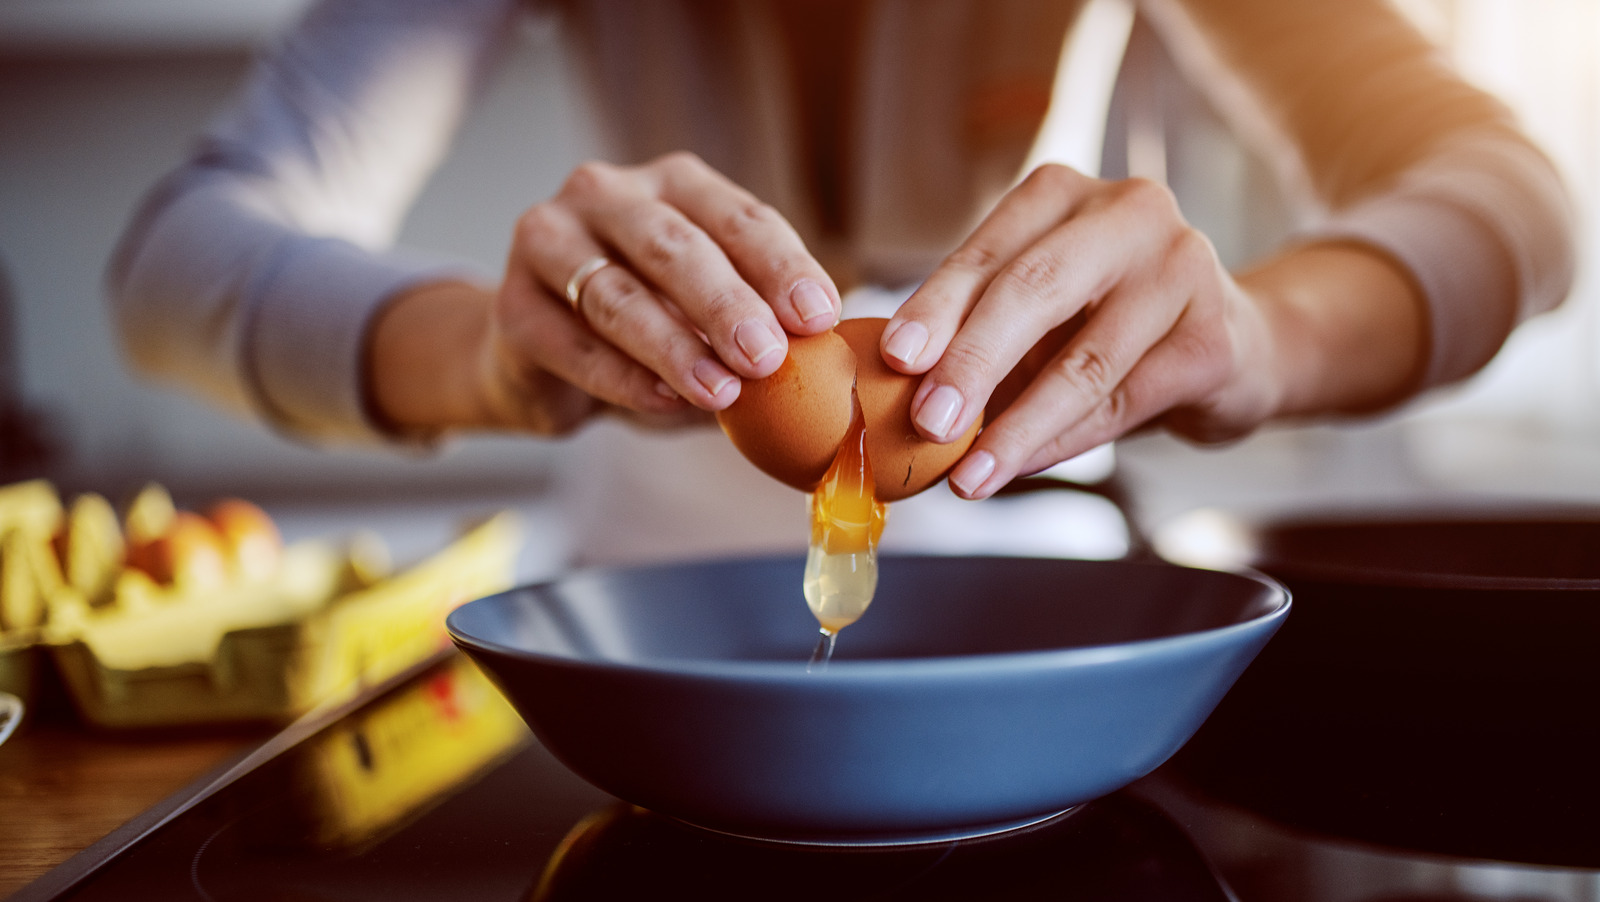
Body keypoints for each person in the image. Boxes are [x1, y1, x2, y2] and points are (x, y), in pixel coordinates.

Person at [108, 0, 1574, 563]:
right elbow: (172, 257)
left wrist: (1265, 334)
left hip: (1040, 581)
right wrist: (487, 359)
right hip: (646, 598)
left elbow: (1522, 204)